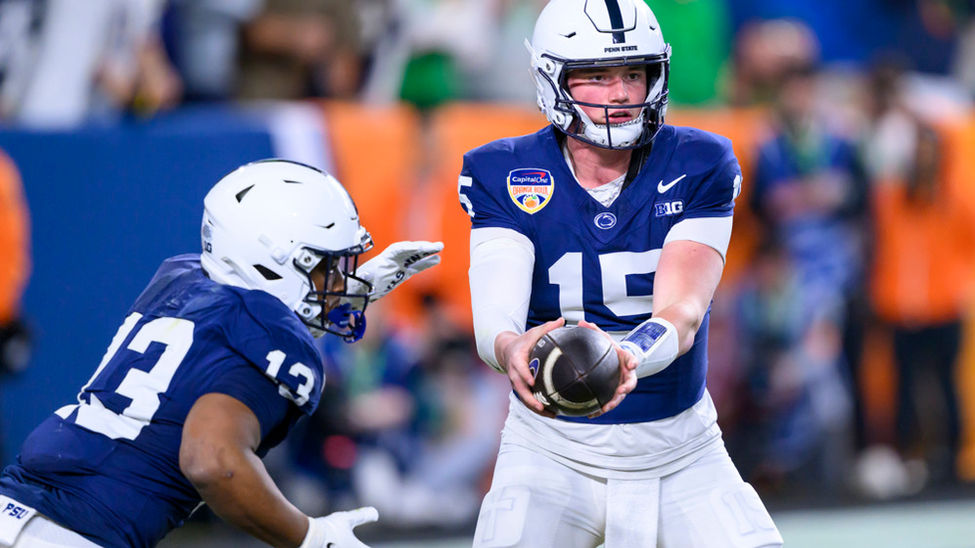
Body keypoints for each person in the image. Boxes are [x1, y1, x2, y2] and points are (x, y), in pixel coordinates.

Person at [458, 1, 783, 546]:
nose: (622, 93)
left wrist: (627, 356)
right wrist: (512, 347)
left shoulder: (699, 162)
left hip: (682, 451)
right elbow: (497, 309)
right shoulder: (505, 170)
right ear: (550, 77)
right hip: (550, 452)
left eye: (634, 73)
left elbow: (681, 310)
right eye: (598, 76)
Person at [0, 159, 443, 548]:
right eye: (325, 267)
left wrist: (342, 295)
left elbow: (233, 329)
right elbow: (210, 460)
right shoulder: (274, 340)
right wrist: (309, 537)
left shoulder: (183, 280)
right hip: (77, 532)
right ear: (274, 260)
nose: (338, 282)